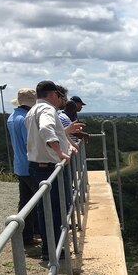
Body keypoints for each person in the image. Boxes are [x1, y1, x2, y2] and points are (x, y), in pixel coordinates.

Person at [25, 80, 83, 261]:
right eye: (59, 96)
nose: (61, 99)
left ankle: (50, 250)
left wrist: (65, 136)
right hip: (49, 168)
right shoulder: (47, 110)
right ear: (52, 94)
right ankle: (55, 251)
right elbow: (46, 129)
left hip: (37, 166)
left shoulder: (33, 110)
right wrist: (60, 153)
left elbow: (44, 133)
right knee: (58, 210)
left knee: (46, 211)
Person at [6, 88, 39, 246]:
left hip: (19, 164)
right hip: (30, 165)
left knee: (25, 203)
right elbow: (30, 144)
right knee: (39, 202)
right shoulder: (26, 119)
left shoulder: (12, 117)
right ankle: (41, 235)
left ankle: (26, 236)